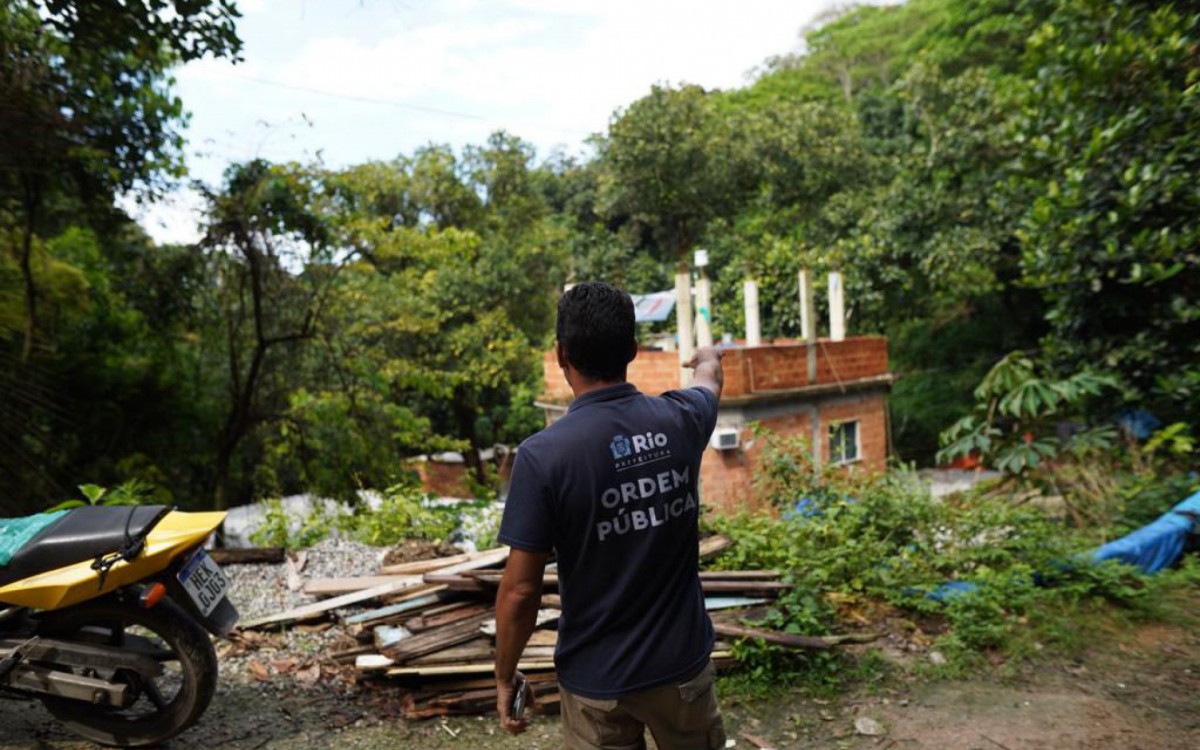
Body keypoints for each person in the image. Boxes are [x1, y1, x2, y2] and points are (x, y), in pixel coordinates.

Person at [493, 281, 726, 750]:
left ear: (562, 355)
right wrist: (706, 358)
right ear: (634, 351)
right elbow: (709, 383)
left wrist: (504, 675)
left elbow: (521, 590)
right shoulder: (679, 419)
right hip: (681, 669)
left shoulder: (544, 457)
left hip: (596, 681)